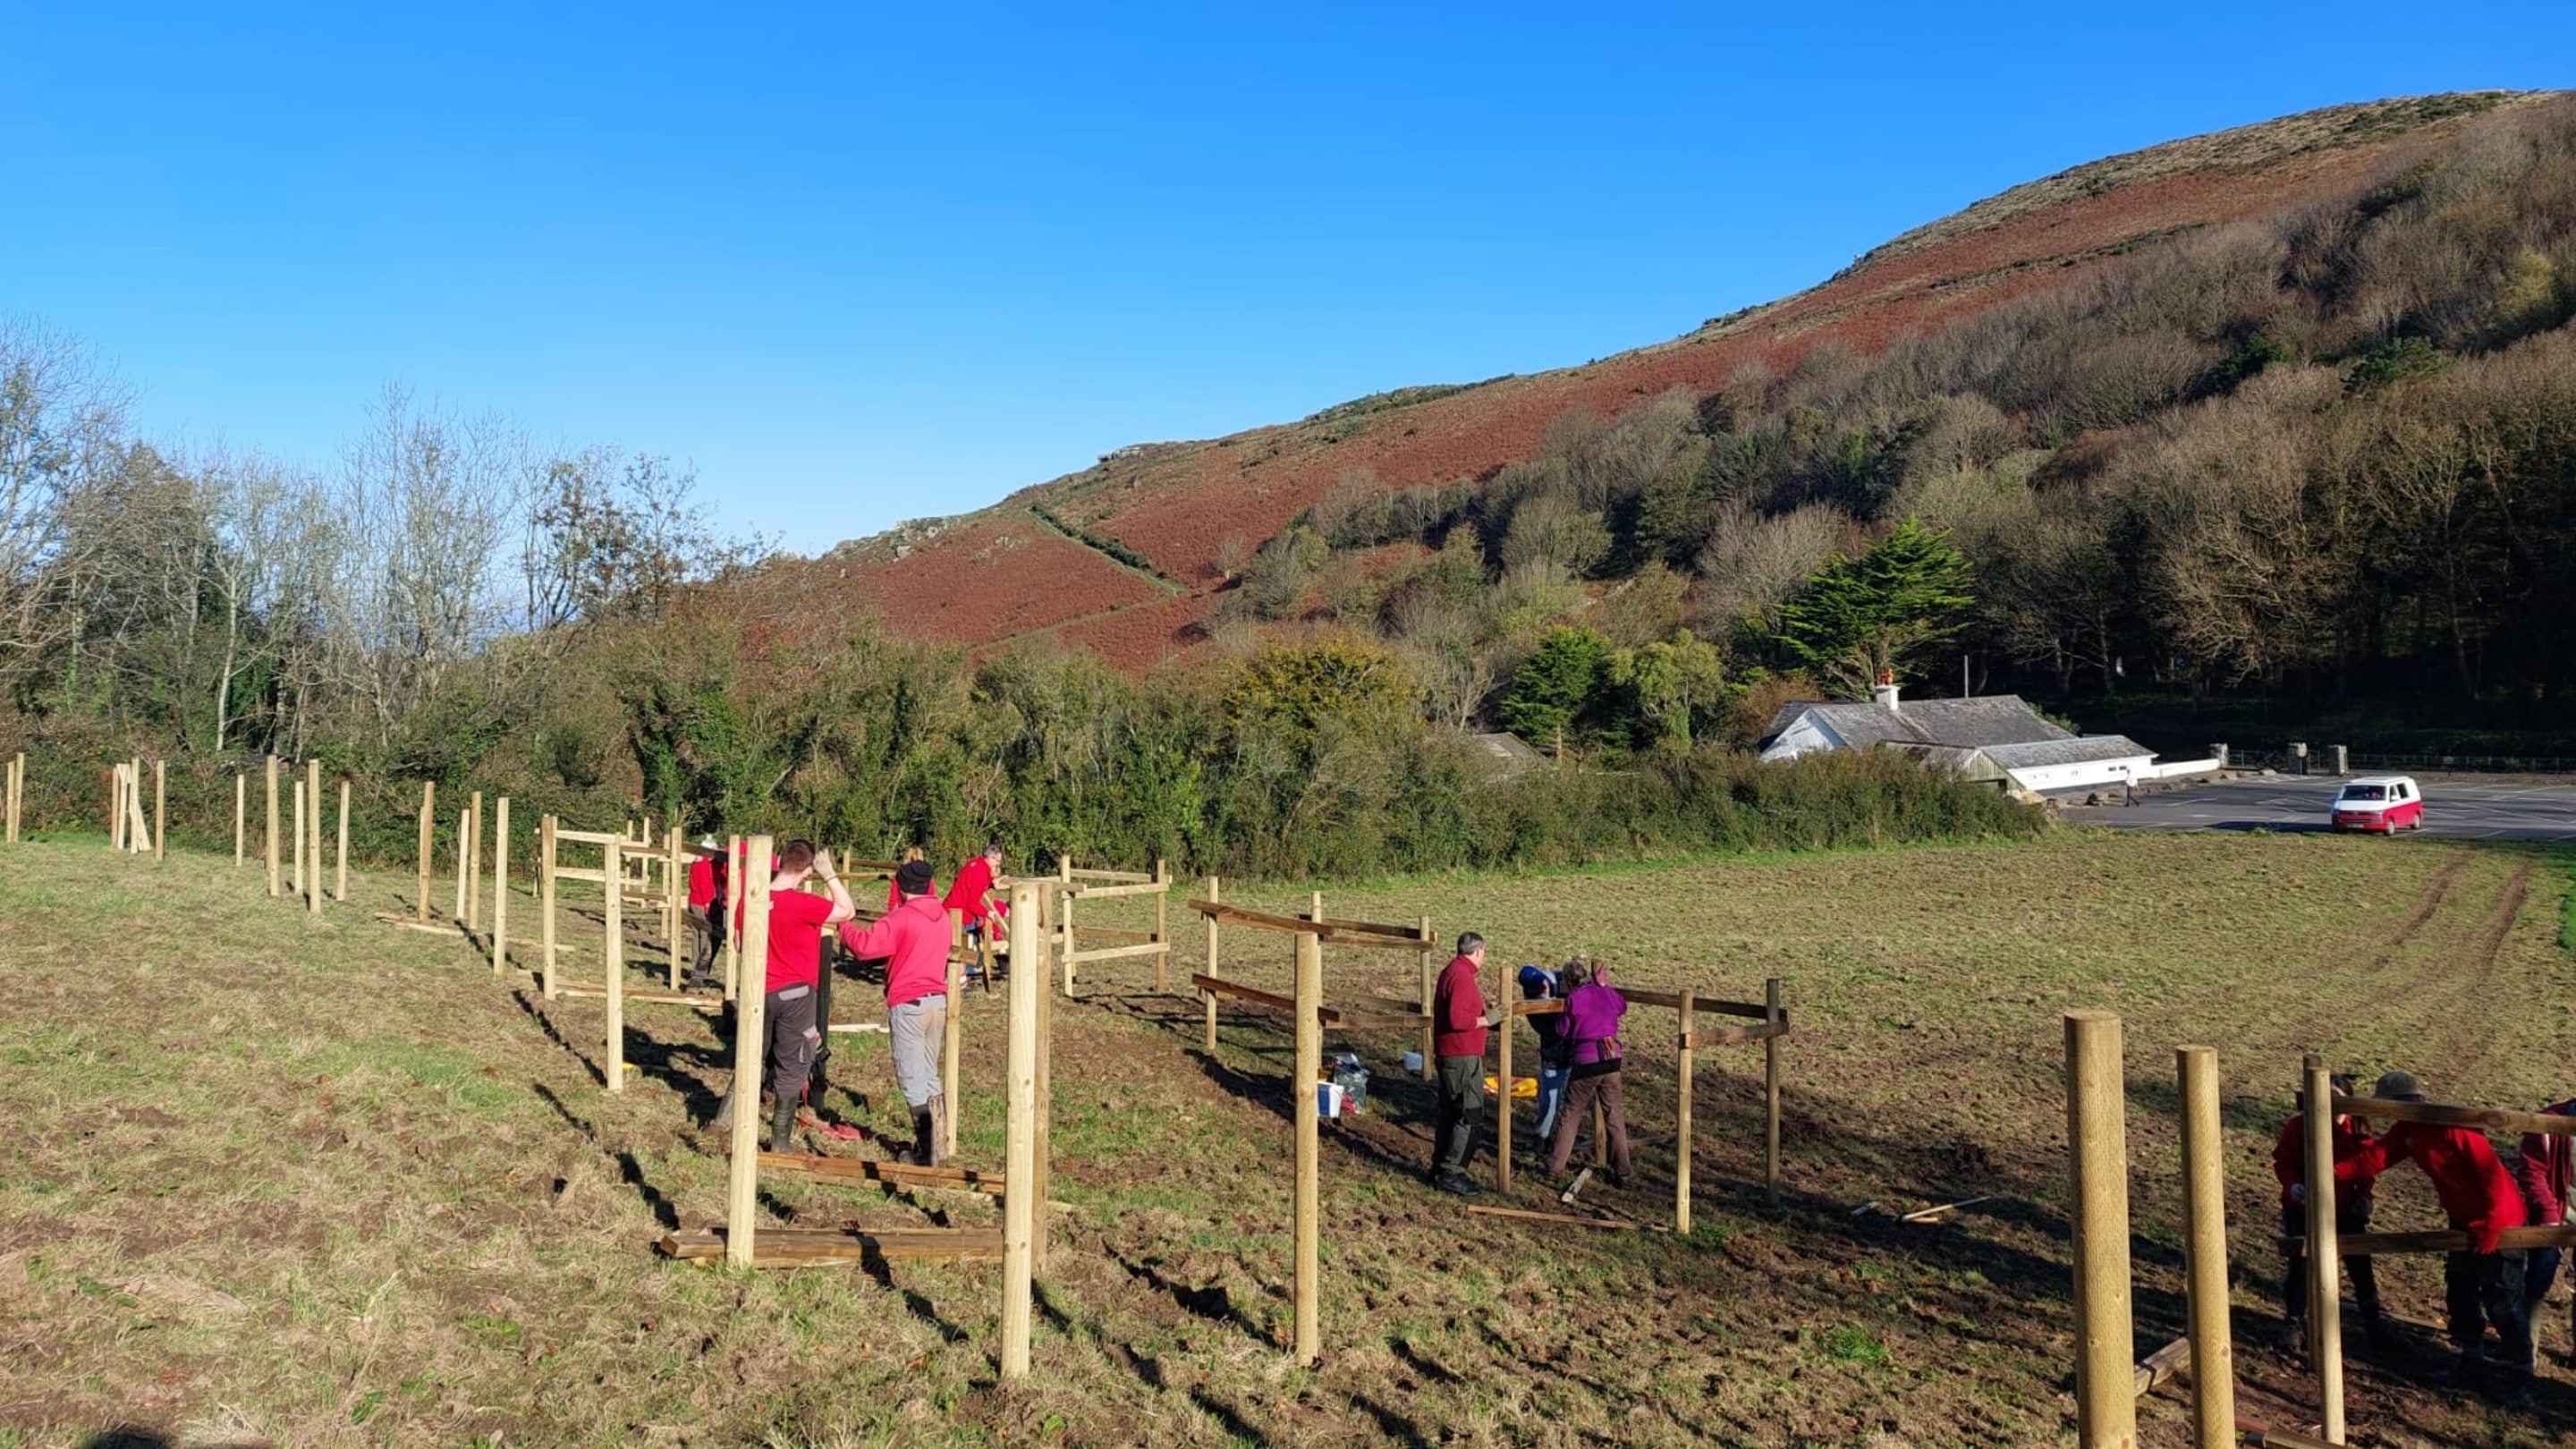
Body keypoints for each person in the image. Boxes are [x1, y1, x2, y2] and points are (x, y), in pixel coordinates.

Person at [2363, 1070, 2533, 1401]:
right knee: (2461, 1291)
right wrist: (2330, 1167)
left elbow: (2494, 1178)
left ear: (2407, 1103)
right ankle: (2472, 1361)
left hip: (2502, 1220)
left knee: (2503, 1300)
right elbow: (2376, 1158)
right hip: (2463, 1221)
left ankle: (2520, 1376)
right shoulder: (2408, 1130)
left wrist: (2492, 1226)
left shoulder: (2451, 1127)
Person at [711, 839, 853, 1149]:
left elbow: (737, 944)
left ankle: (723, 1121)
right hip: (796, 995)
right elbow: (848, 911)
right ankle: (779, 1141)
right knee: (793, 1062)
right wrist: (829, 875)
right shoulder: (804, 904)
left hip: (757, 992)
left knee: (751, 1055)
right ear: (805, 870)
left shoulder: (751, 901)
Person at [839, 857, 954, 1165]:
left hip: (909, 1004)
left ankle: (926, 1153)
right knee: (930, 1074)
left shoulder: (902, 918)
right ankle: (939, 1145)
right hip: (937, 1002)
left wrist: (844, 927)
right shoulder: (943, 917)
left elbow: (866, 947)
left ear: (902, 889)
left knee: (911, 1078)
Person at [2272, 1074, 2390, 1350]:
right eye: (2327, 1097)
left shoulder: (2358, 1128)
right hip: (2303, 1208)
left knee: (2361, 1265)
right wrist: (2293, 1186)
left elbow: (2366, 1167)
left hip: (2346, 1209)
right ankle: (2293, 1322)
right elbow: (2283, 1162)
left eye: (2338, 1097)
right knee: (2301, 1265)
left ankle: (2374, 1323)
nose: (2333, 1104)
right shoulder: (2298, 1127)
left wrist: (2364, 1196)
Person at [1428, 931, 1504, 1195]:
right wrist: (1488, 1020)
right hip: (1461, 1057)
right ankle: (1452, 1173)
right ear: (1479, 951)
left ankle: (1439, 1168)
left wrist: (1486, 1019)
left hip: (1454, 1054)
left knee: (1450, 1113)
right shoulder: (1461, 977)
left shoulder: (1453, 971)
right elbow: (1458, 1020)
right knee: (1469, 1114)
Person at [1545, 962, 1634, 1185]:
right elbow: (1622, 1007)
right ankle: (1623, 1170)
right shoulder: (1604, 991)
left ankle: (1554, 1166)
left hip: (1587, 1059)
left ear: (1567, 981)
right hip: (1612, 1057)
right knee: (1613, 1114)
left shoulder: (1574, 999)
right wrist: (1604, 987)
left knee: (1572, 1113)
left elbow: (1562, 1030)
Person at [2514, 1092, 2575, 1356]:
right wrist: (2550, 1215)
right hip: (2557, 1211)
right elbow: (2532, 1171)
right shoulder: (2549, 1122)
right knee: (2537, 1282)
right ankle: (2525, 1352)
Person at [1520, 964, 1572, 1143]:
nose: (1545, 987)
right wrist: (1547, 1000)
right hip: (1554, 1054)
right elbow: (1551, 1030)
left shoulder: (1559, 978)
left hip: (1577, 1050)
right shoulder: (1533, 1005)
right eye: (1541, 989)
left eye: (1545, 984)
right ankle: (1543, 1136)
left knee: (1578, 1100)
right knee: (1550, 1100)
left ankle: (1566, 1138)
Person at [944, 842, 1008, 982]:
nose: (997, 865)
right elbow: (972, 903)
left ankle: (966, 975)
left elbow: (978, 882)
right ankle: (963, 979)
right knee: (963, 946)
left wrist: (993, 881)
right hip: (959, 913)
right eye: (997, 861)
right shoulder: (979, 873)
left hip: (956, 909)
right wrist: (988, 914)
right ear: (989, 858)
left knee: (968, 942)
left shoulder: (976, 864)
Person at [682, 836, 721, 991]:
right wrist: (707, 904)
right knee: (704, 935)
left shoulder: (695, 862)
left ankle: (695, 964)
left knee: (696, 933)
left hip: (693, 900)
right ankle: (700, 967)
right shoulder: (705, 865)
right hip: (702, 902)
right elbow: (704, 885)